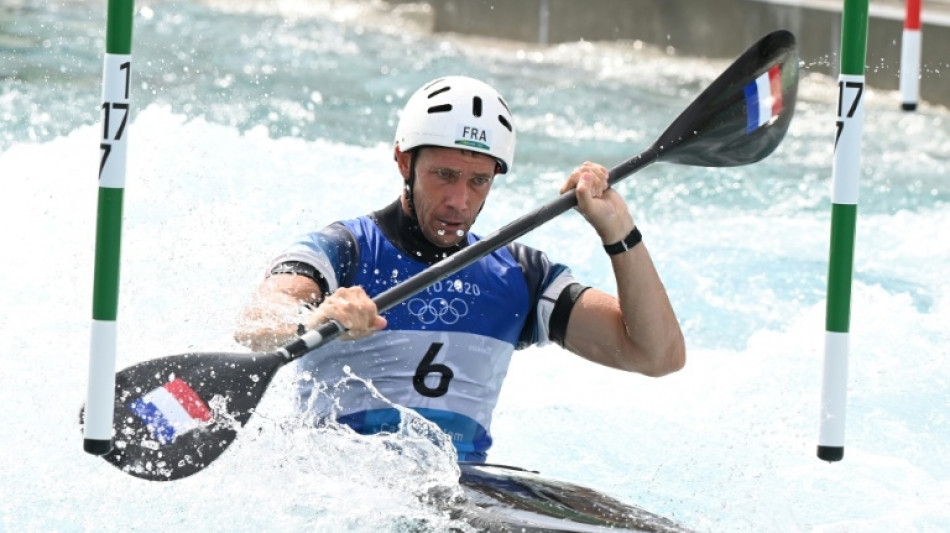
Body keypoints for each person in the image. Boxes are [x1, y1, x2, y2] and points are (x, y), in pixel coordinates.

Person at [235, 76, 685, 462]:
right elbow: (256, 321)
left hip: (465, 491)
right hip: (348, 479)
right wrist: (314, 319)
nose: (460, 201)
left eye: (478, 181)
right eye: (444, 175)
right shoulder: (345, 249)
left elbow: (657, 355)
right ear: (404, 162)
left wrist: (618, 230)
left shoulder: (520, 276)